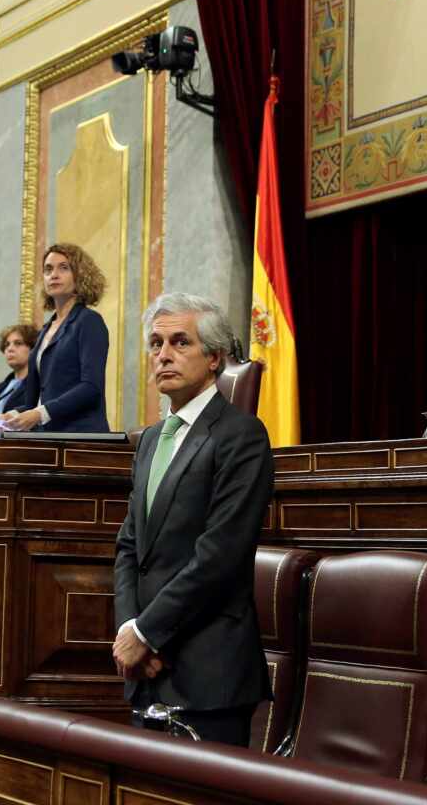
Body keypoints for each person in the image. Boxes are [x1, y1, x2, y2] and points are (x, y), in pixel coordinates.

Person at [112, 293, 274, 747]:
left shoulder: (241, 435)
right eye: (155, 343)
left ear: (214, 358)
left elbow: (220, 555)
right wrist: (130, 630)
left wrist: (147, 632)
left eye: (180, 342)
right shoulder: (148, 441)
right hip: (146, 670)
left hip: (208, 675)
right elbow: (130, 548)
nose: (162, 355)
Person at [2, 243, 110, 433]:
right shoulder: (45, 330)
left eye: (64, 268)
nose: (54, 275)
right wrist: (13, 414)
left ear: (80, 275)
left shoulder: (89, 321)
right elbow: (37, 400)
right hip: (48, 439)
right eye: (48, 269)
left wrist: (40, 414)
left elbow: (91, 387)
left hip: (80, 438)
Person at [0, 323, 38, 438]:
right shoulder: (2, 387)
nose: (10, 349)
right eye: (7, 345)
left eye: (18, 343)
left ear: (33, 349)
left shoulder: (38, 385)